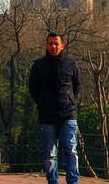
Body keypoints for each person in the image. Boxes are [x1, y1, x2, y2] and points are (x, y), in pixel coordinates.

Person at [29, 33, 81, 184]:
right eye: (50, 43)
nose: (53, 46)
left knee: (71, 150)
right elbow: (33, 87)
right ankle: (53, 181)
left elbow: (77, 86)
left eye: (56, 43)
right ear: (46, 45)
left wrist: (71, 102)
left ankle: (73, 181)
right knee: (50, 154)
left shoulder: (71, 63)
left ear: (62, 45)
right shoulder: (39, 65)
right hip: (47, 115)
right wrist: (42, 103)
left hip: (68, 114)